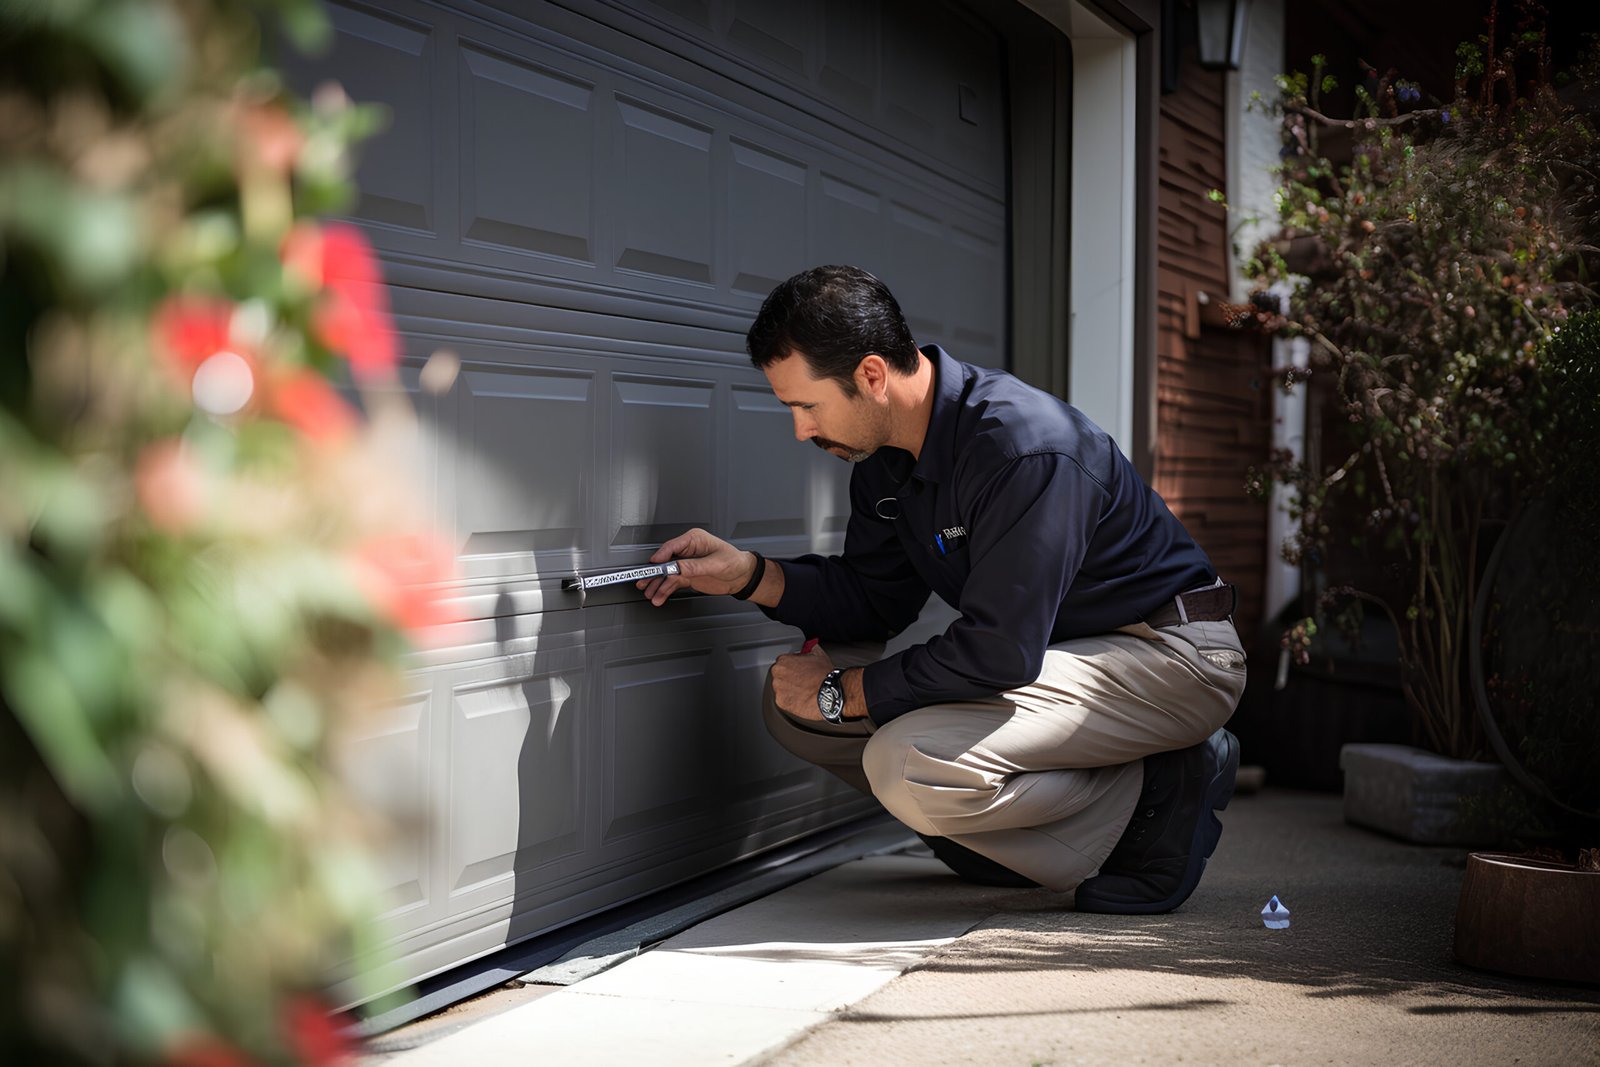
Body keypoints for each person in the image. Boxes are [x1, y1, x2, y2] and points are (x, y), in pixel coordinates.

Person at [638, 265, 1245, 913]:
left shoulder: (1024, 447)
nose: (800, 430)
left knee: (905, 761)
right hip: (1063, 659)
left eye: (805, 405)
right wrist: (751, 574)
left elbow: (999, 651)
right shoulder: (886, 466)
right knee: (796, 711)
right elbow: (874, 600)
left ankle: (1161, 789)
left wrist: (845, 689)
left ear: (871, 375)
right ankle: (993, 833)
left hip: (1172, 652)